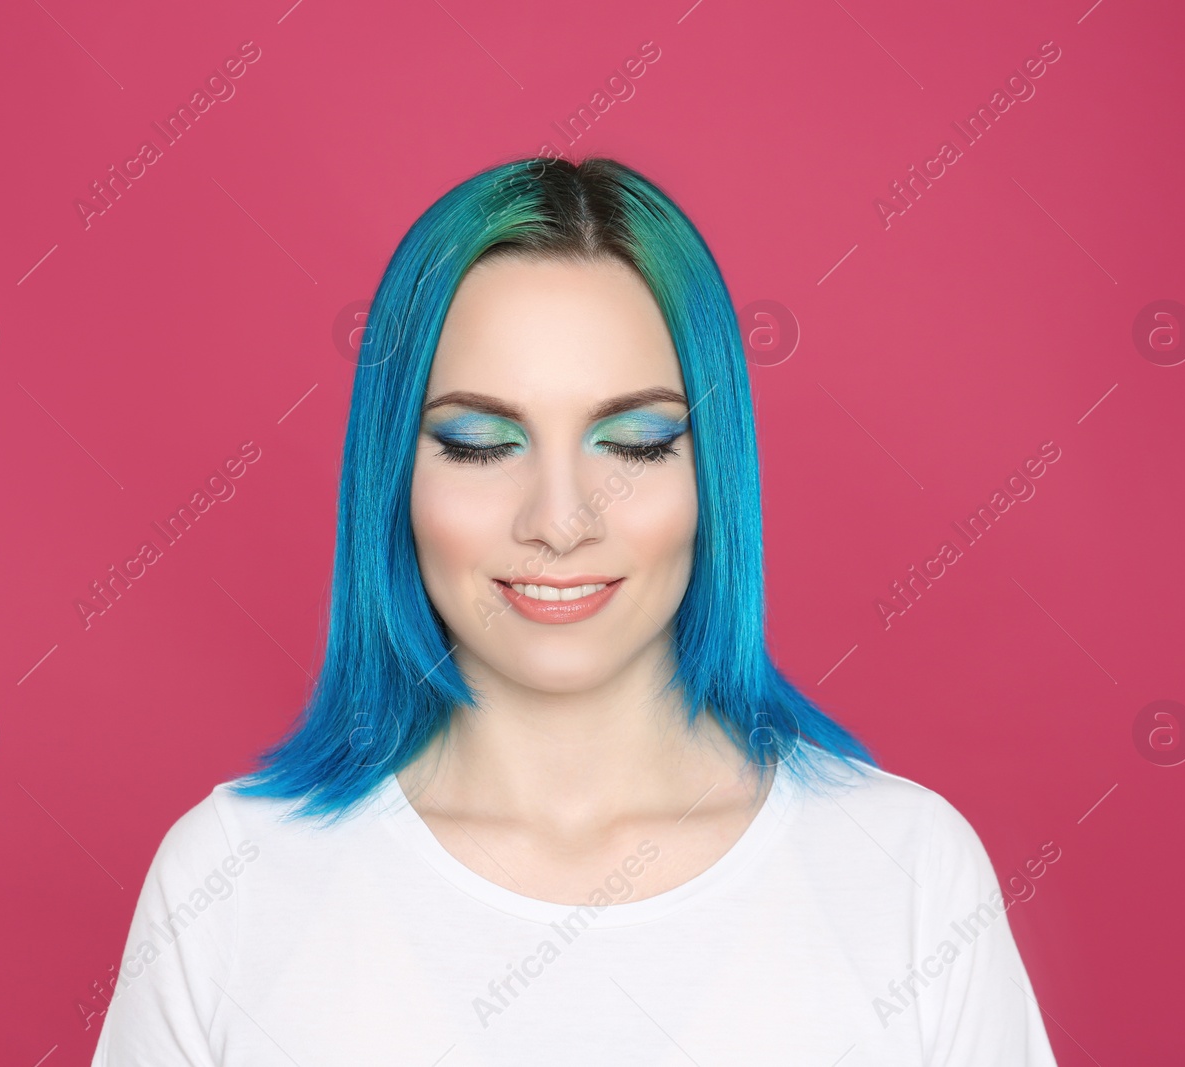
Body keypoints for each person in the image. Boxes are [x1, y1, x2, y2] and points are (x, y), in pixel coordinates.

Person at [89, 156, 1060, 1065]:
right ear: (392, 474)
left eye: (634, 442)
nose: (559, 519)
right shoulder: (234, 880)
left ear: (711, 472)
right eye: (477, 441)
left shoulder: (904, 875)